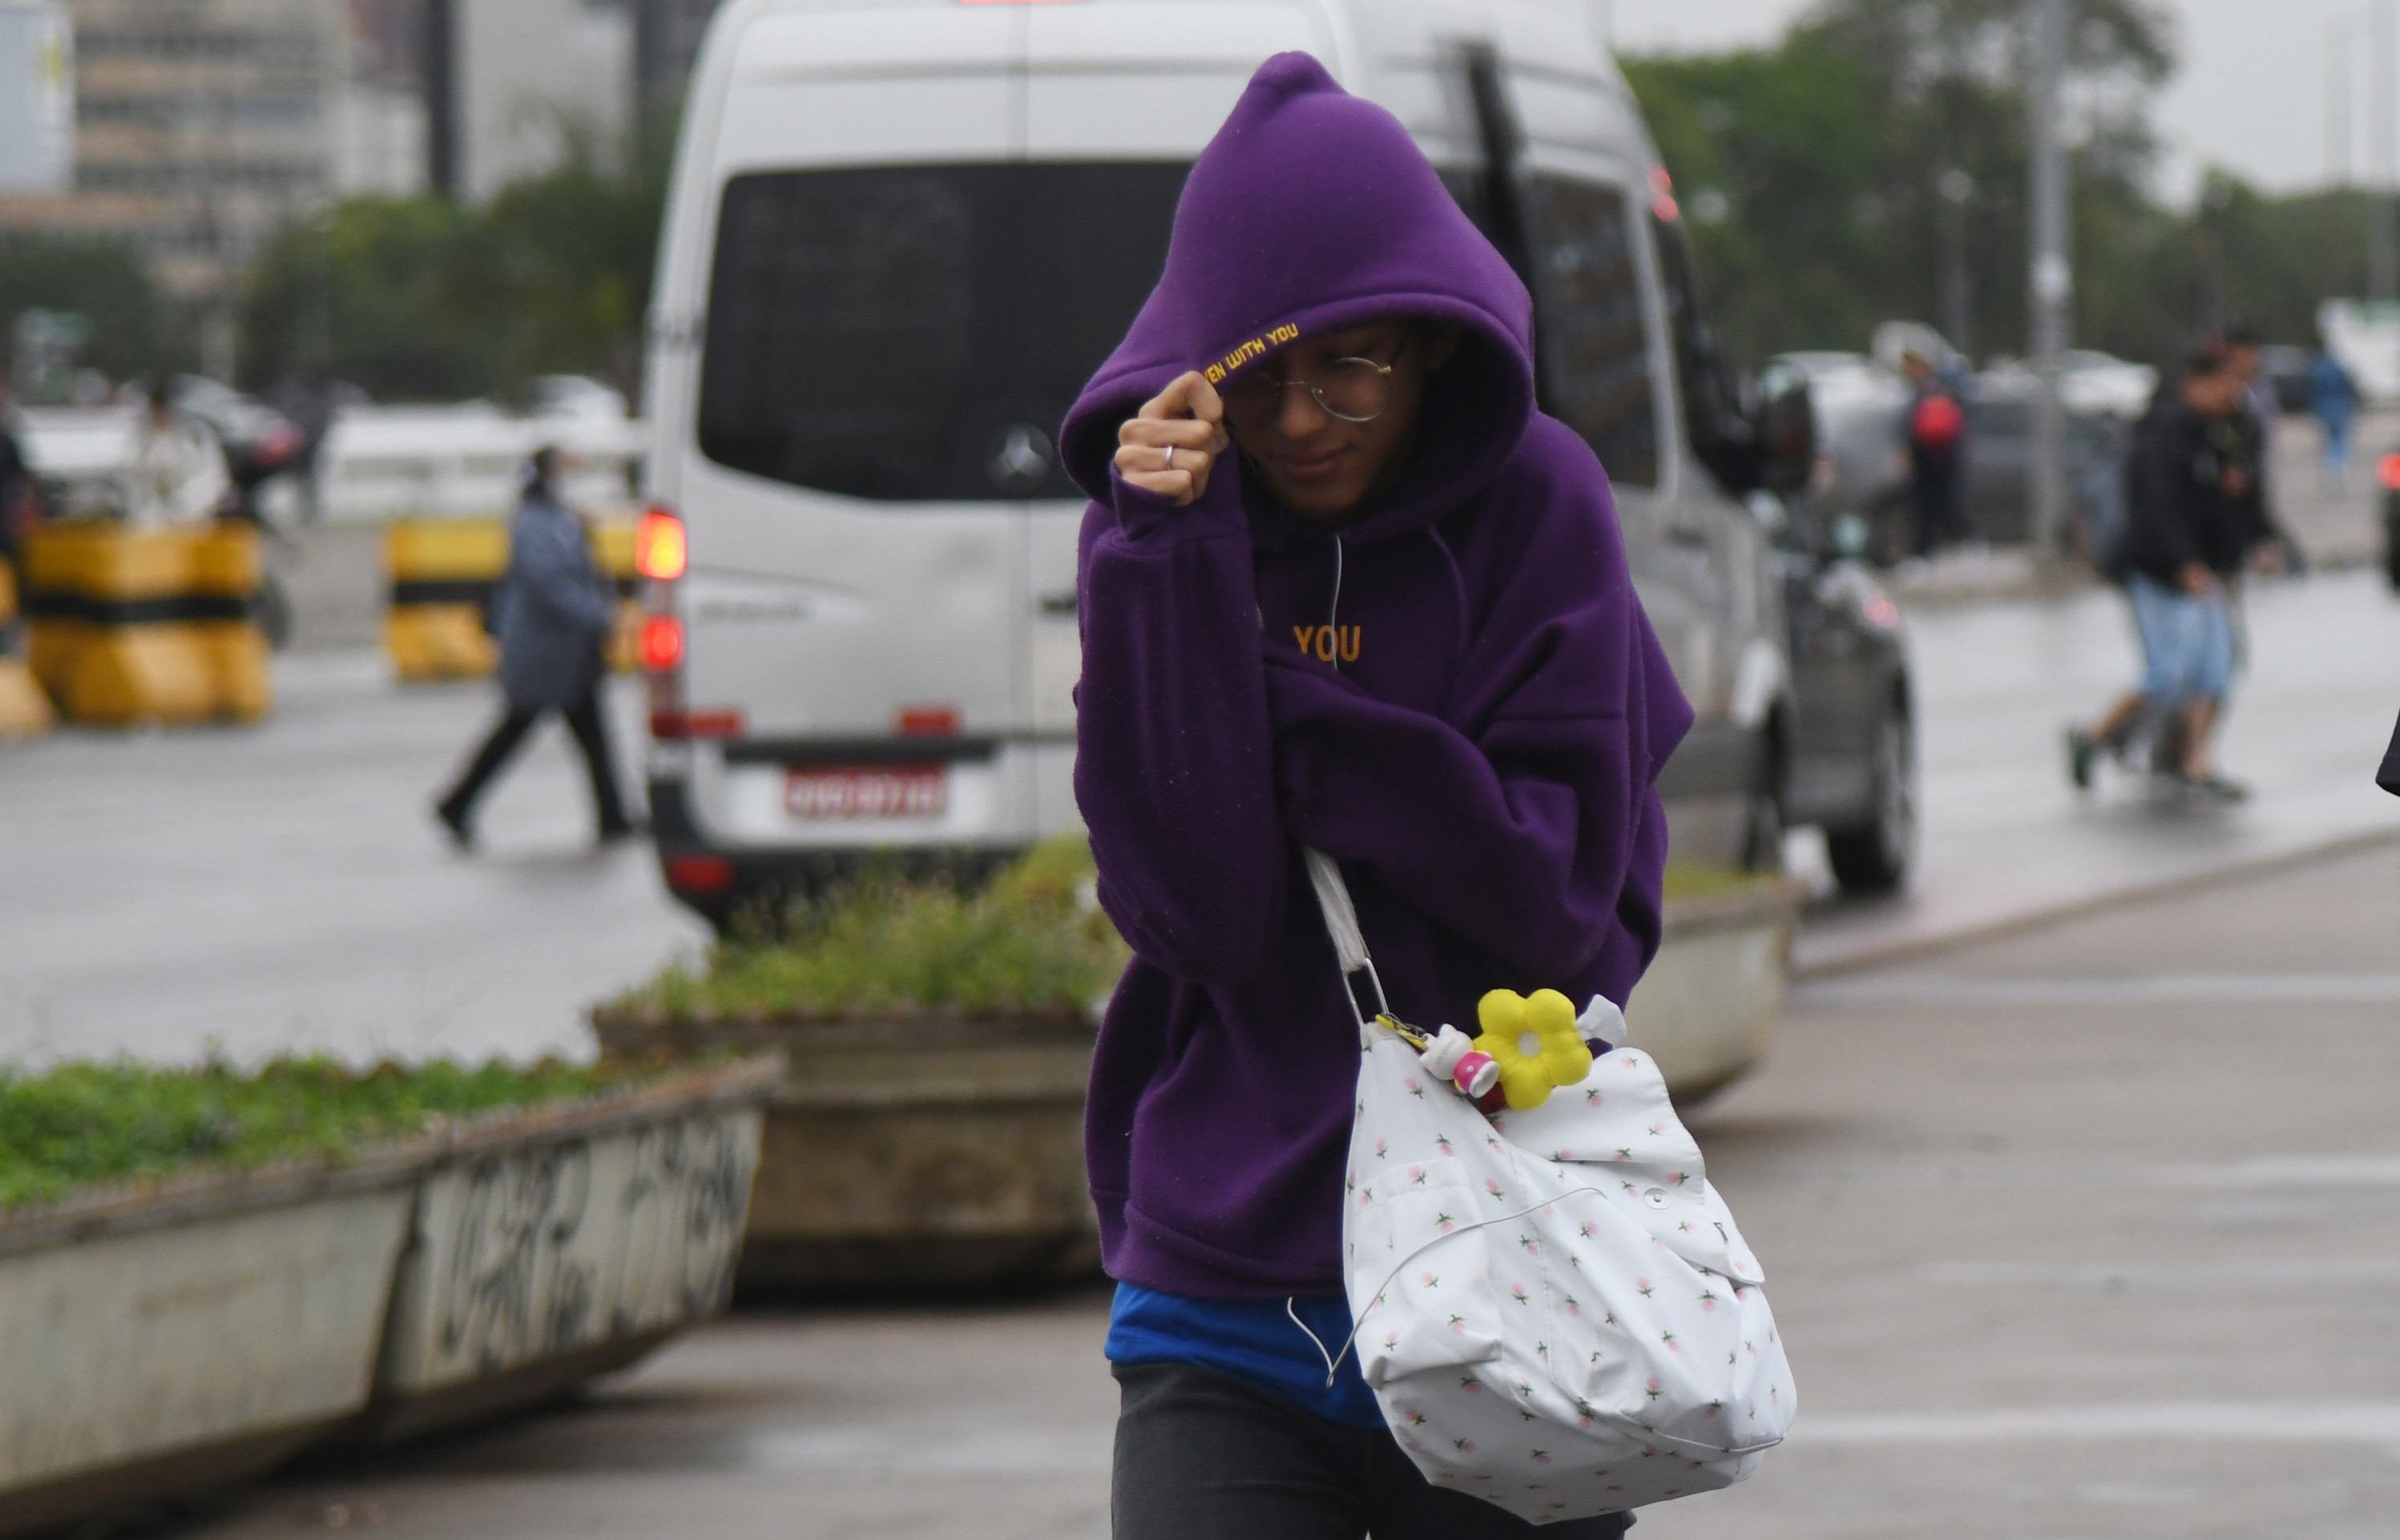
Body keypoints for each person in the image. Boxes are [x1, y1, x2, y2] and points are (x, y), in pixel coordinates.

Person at [1061, 54, 1691, 1540]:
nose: (1299, 420)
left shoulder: (1539, 503)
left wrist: (1274, 708)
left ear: (1426, 341)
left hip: (1520, 1265)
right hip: (1227, 1287)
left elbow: (1555, 903)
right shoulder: (1157, 543)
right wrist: (1167, 574)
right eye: (1253, 377)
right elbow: (1198, 919)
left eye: (1349, 367)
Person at [2067, 349, 2249, 799]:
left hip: (2203, 570)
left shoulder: (2219, 431)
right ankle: (2092, 737)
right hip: (2158, 570)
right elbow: (2156, 509)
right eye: (2227, 382)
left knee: (2215, 671)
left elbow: (2221, 505)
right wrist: (2183, 563)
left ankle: (2196, 765)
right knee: (2167, 674)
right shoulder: (2164, 432)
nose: (2236, 391)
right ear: (2196, 382)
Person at [434, 447, 635, 848]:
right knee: (517, 731)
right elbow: (549, 583)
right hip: (545, 654)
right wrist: (599, 615)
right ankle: (456, 804)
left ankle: (613, 816)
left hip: (570, 654)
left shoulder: (561, 519)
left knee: (591, 738)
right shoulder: (535, 524)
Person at [124, 381, 231, 529]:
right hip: (155, 524)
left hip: (196, 520)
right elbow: (138, 482)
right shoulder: (144, 439)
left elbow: (215, 479)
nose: (159, 414)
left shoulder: (196, 435)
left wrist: (185, 506)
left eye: (162, 408)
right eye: (155, 408)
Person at [1899, 348, 1970, 558]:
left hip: (1938, 457)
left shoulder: (1932, 390)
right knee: (1926, 506)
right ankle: (1924, 550)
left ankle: (1964, 540)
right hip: (1927, 457)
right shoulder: (1925, 390)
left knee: (1942, 504)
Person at [2308, 348, 2360, 483]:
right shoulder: (2339, 368)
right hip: (2341, 408)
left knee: (2329, 438)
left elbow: (2312, 391)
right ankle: (2340, 465)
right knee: (2340, 438)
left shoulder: (2317, 369)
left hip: (2324, 408)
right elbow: (2349, 387)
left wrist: (2313, 409)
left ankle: (2331, 466)